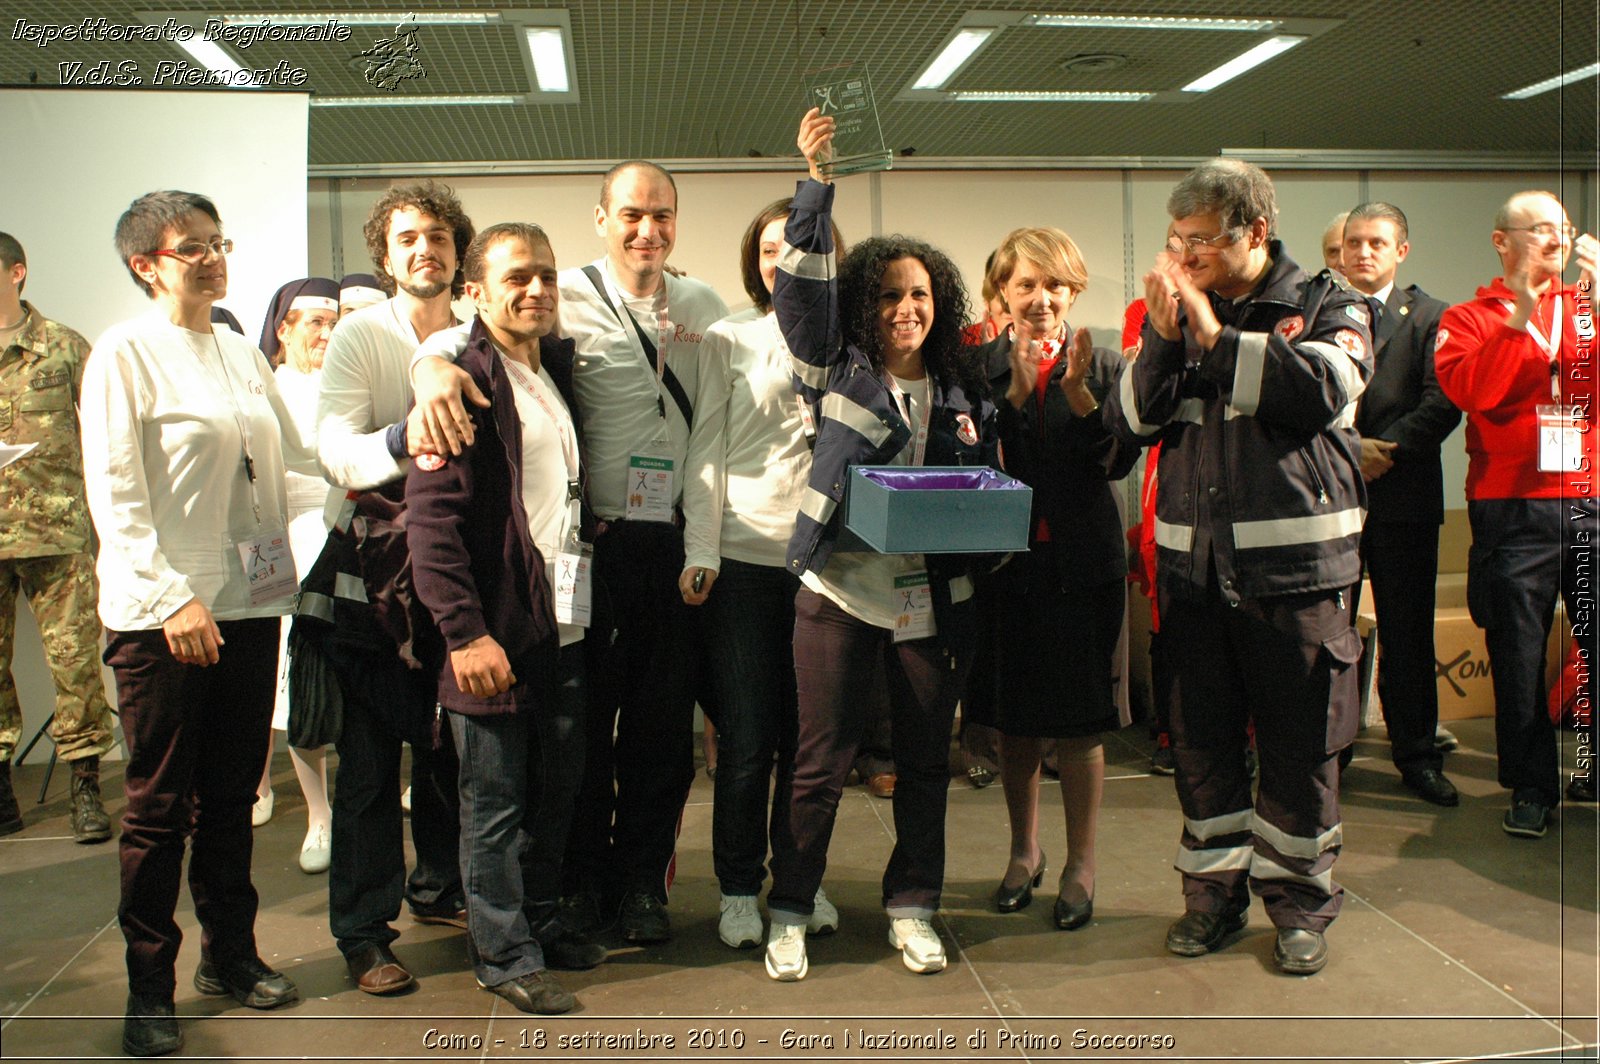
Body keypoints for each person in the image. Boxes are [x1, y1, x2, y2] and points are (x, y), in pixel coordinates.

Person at [411, 161, 728, 944]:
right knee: (579, 741)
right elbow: (460, 339)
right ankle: (577, 887)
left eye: (662, 214)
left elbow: (714, 430)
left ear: (677, 223)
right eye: (630, 213)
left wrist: (705, 544)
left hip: (672, 548)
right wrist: (427, 373)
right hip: (592, 550)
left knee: (659, 736)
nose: (646, 228)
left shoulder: (704, 307)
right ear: (601, 218)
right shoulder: (561, 299)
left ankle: (642, 886)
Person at [1104, 159, 1374, 976]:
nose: (1185, 258)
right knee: (1201, 748)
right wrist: (1161, 335)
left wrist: (1217, 338)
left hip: (1296, 578)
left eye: (1202, 243)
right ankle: (1211, 900)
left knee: (1300, 750)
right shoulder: (1174, 313)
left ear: (1255, 232)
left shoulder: (1329, 302)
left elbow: (1321, 391)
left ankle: (1298, 907)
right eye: (1175, 242)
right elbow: (1130, 426)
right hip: (1193, 580)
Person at [761, 108, 998, 982]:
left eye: (921, 295)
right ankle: (791, 907)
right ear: (868, 305)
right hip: (841, 594)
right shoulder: (837, 367)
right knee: (820, 766)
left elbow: (983, 492)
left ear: (941, 306)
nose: (907, 308)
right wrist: (817, 182)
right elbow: (798, 291)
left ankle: (913, 907)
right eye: (891, 295)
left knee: (927, 765)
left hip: (936, 606)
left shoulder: (965, 387)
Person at [82, 190, 314, 1056]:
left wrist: (392, 459)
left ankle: (233, 957)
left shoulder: (240, 354)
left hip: (250, 606)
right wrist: (172, 596)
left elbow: (293, 464)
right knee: (156, 808)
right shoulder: (124, 353)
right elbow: (118, 499)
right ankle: (150, 988)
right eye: (193, 248)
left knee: (230, 798)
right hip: (164, 617)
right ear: (146, 264)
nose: (214, 258)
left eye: (220, 243)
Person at [408, 222, 606, 1016]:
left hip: (560, 624)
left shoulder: (552, 366)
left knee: (556, 790)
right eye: (517, 277)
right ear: (476, 294)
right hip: (489, 633)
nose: (536, 290)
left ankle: (540, 918)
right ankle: (502, 953)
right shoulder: (460, 379)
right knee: (493, 806)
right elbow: (431, 526)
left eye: (548, 276)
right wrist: (464, 633)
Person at [314, 182, 470, 995]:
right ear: (385, 254)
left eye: (437, 236)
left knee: (453, 749)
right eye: (407, 237)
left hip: (460, 572)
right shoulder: (357, 335)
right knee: (372, 768)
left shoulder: (480, 329)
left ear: (457, 250)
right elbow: (335, 452)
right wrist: (406, 434)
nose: (423, 249)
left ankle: (441, 886)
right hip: (372, 582)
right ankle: (363, 934)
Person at [679, 197, 842, 950]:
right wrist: (702, 550)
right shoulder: (728, 337)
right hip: (745, 558)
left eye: (798, 247)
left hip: (825, 565)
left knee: (809, 741)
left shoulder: (847, 340)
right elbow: (704, 446)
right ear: (754, 260)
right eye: (770, 248)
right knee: (747, 737)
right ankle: (740, 886)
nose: (782, 260)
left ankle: (798, 882)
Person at [972, 226, 1139, 929]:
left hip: (1082, 570)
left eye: (1056, 286)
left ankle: (1081, 864)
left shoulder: (1103, 364)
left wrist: (1076, 395)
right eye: (1026, 286)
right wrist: (1010, 394)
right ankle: (1023, 852)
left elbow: (1120, 460)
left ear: (1074, 290)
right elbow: (965, 451)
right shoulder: (977, 365)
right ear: (1002, 294)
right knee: (1014, 724)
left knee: (1077, 727)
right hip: (1007, 570)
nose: (1042, 300)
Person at [1434, 190, 1599, 837]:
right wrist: (1522, 313)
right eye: (1538, 230)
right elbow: (1473, 390)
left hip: (1589, 499)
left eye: (1563, 229)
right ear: (1502, 240)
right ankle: (1533, 788)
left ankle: (1591, 763)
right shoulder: (1470, 317)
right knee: (1519, 652)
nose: (1555, 242)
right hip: (1510, 506)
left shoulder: (1588, 309)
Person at [1340, 203, 1462, 806]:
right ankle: (1326, 755)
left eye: (1377, 243)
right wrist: (1347, 452)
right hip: (1329, 497)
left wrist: (1381, 453)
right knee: (1327, 634)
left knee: (1408, 634)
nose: (1364, 253)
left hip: (1403, 495)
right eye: (1354, 243)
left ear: (1400, 251)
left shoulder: (1434, 316)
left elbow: (1445, 402)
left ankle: (1416, 755)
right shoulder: (1314, 315)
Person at [0, 231, 116, 843]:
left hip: (58, 533)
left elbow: (105, 436)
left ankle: (87, 790)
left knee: (75, 667)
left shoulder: (65, 348)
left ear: (17, 272)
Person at [250, 278, 340, 872]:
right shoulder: (264, 392)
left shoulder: (345, 386)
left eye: (335, 325)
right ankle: (318, 815)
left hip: (349, 542)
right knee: (300, 689)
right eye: (315, 325)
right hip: (288, 549)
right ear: (283, 329)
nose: (327, 337)